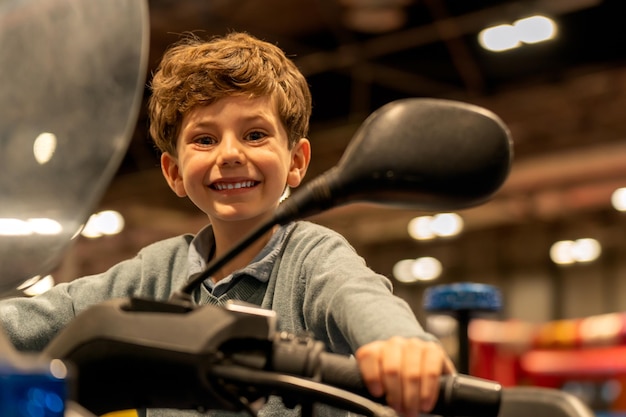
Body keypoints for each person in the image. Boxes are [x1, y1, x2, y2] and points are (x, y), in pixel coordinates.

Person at [0, 32, 455, 417]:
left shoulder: (312, 258)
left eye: (255, 134)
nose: (231, 153)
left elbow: (360, 298)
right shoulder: (155, 272)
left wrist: (403, 346)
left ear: (296, 162)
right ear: (174, 172)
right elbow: (42, 317)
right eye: (204, 139)